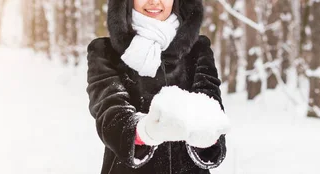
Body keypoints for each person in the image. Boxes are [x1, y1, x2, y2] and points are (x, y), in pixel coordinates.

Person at [86, 0, 229, 173]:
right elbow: (110, 114)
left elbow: (211, 104)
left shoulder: (198, 50)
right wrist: (145, 131)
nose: (154, 2)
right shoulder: (105, 52)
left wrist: (208, 133)